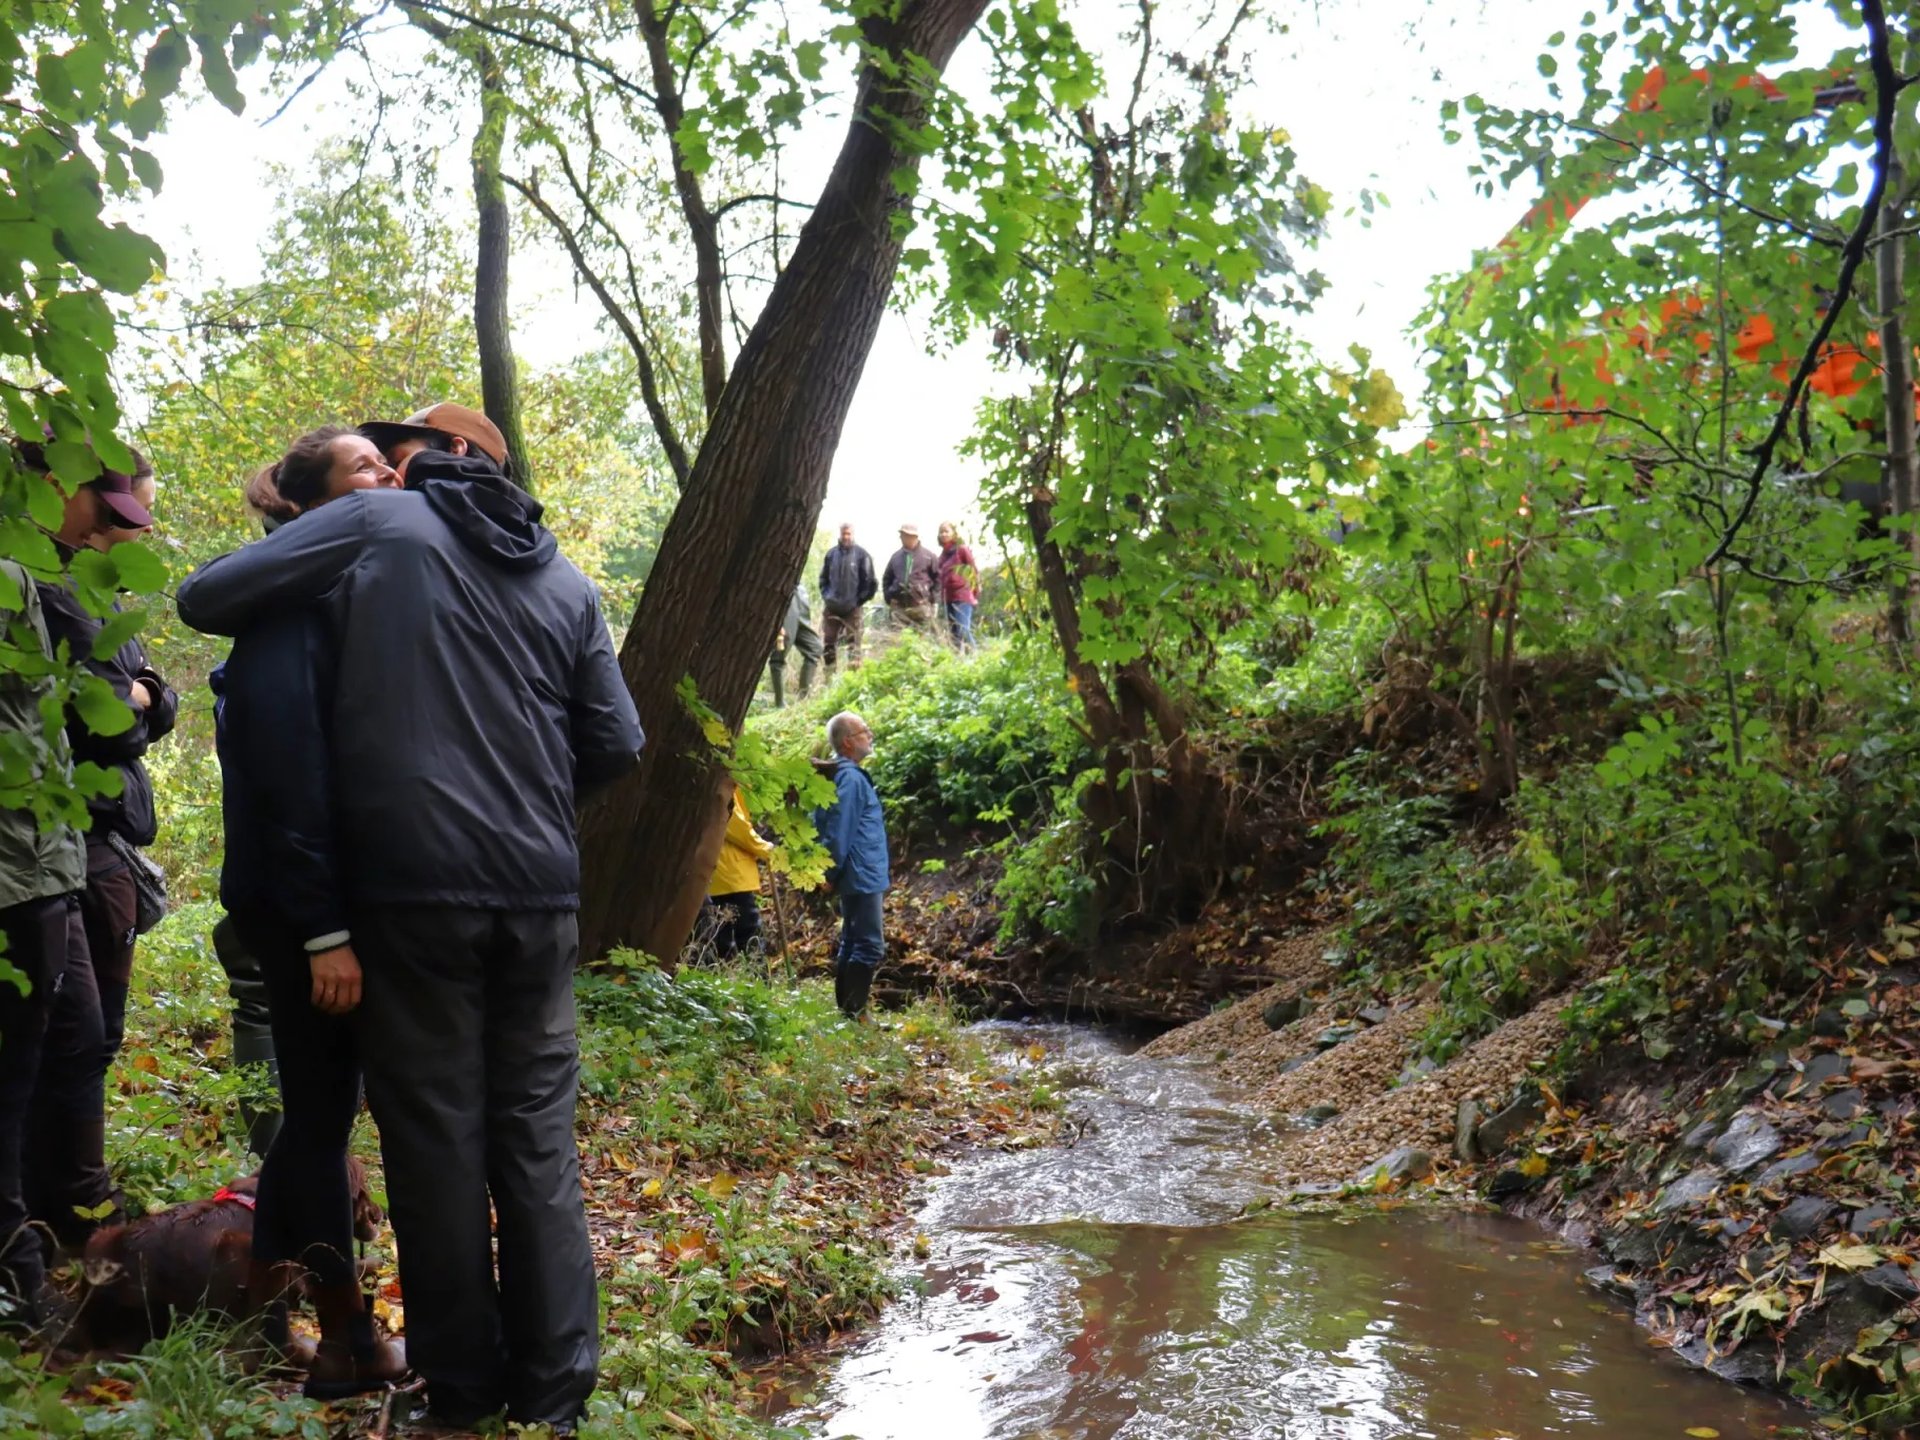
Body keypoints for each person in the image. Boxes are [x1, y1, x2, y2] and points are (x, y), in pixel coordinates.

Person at [177, 400, 643, 1434]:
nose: (384, 466)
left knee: (434, 1144)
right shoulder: (566, 578)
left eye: (396, 454)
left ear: (434, 465)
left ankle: (465, 1398)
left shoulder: (382, 527)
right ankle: (558, 1401)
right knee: (535, 1146)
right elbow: (616, 740)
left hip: (413, 892)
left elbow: (205, 594)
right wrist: (528, 806)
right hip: (540, 896)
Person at [212, 426, 407, 1396]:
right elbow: (289, 782)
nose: (386, 473)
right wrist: (327, 931)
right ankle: (341, 1335)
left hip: (327, 901)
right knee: (323, 1118)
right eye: (364, 466)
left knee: (323, 1113)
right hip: (298, 912)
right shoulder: (283, 611)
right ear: (316, 504)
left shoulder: (340, 595)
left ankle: (280, 1307)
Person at [22, 443, 175, 1249]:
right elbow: (101, 716)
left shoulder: (89, 585)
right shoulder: (39, 583)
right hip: (58, 841)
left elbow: (151, 695)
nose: (116, 536)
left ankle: (68, 1209)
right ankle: (75, 1215)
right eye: (110, 513)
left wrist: (142, 695)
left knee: (90, 1032)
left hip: (98, 839)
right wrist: (136, 699)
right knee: (71, 1032)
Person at [0, 558, 87, 1325]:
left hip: (39, 871)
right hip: (19, 876)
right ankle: (20, 1285)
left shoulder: (20, 577)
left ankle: (28, 1274)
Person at [814, 712, 889, 1018]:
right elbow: (839, 829)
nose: (870, 735)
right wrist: (829, 871)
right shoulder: (851, 779)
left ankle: (848, 1013)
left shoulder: (840, 775)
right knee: (869, 944)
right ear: (847, 742)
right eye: (863, 731)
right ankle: (856, 1014)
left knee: (853, 940)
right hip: (861, 873)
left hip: (859, 870)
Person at [699, 785, 775, 959]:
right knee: (750, 933)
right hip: (731, 874)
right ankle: (759, 981)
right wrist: (764, 848)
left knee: (722, 937)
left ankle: (728, 981)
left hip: (718, 873)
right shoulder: (724, 784)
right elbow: (734, 822)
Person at [817, 523, 875, 677]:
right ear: (840, 534)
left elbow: (870, 582)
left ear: (853, 534)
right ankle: (829, 677)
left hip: (852, 608)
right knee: (829, 642)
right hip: (832, 606)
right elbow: (823, 579)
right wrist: (827, 596)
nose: (846, 537)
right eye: (844, 533)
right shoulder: (831, 555)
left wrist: (858, 601)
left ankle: (853, 678)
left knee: (854, 644)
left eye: (848, 534)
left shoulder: (862, 555)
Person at [769, 583, 822, 708]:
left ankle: (803, 699)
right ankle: (780, 702)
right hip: (786, 598)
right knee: (779, 653)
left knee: (815, 648)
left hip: (799, 593)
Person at [881, 524, 940, 632]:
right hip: (899, 608)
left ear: (913, 537)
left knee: (922, 642)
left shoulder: (929, 556)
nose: (901, 538)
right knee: (897, 642)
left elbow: (938, 579)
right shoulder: (895, 557)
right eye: (901, 535)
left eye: (904, 535)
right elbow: (886, 578)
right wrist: (889, 597)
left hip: (921, 607)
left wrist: (933, 600)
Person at [937, 522, 979, 653]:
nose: (944, 534)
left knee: (962, 630)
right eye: (941, 532)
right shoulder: (942, 555)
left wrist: (975, 594)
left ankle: (974, 657)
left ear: (954, 533)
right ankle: (959, 662)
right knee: (954, 633)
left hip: (962, 595)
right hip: (948, 598)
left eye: (946, 531)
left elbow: (974, 571)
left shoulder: (961, 549)